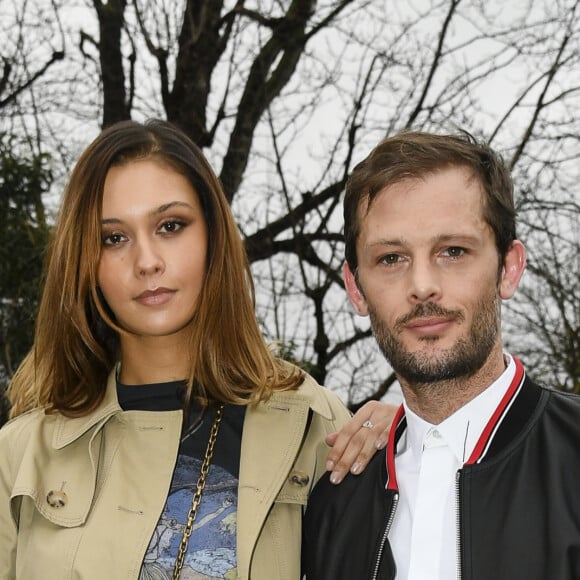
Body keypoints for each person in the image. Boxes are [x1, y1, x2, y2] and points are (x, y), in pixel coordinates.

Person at [0, 120, 396, 580]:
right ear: (85, 261)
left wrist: (410, 442)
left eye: (170, 226)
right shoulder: (24, 453)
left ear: (212, 237)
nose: (147, 261)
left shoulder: (310, 421)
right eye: (114, 238)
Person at [302, 130, 580, 580]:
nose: (422, 285)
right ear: (356, 289)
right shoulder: (336, 500)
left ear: (508, 269)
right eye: (391, 258)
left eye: (453, 251)